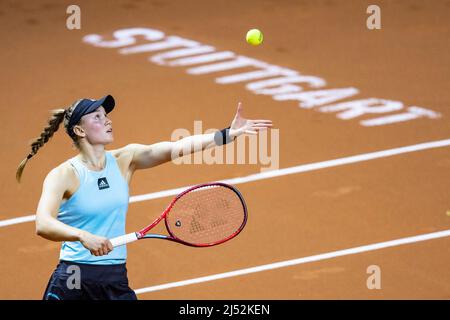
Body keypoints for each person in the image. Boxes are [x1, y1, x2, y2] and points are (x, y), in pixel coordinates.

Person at [16, 94, 272, 300]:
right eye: (97, 117)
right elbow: (43, 223)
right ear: (80, 131)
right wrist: (83, 236)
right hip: (73, 278)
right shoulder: (63, 174)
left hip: (115, 277)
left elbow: (176, 148)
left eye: (106, 116)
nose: (107, 121)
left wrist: (227, 134)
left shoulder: (126, 159)